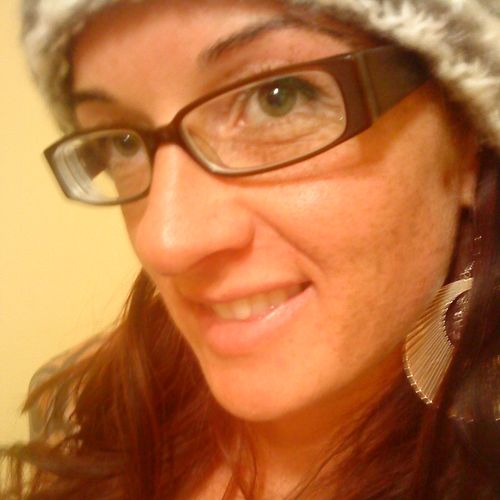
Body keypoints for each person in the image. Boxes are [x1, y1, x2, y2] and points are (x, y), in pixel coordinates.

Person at [1, 0, 499, 498]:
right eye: (122, 143)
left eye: (278, 99)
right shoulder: (93, 406)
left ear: (465, 133)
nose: (165, 242)